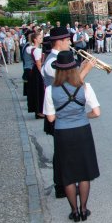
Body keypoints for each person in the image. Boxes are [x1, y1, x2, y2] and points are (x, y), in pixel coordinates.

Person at [43, 50, 101, 222]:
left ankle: (74, 211)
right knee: (83, 173)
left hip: (62, 133)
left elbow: (51, 117)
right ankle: (84, 209)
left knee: (68, 174)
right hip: (82, 131)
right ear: (75, 68)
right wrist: (84, 116)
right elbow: (96, 112)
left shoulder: (49, 90)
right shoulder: (85, 86)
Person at [42, 26, 95, 200]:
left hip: (61, 110)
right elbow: (67, 86)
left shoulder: (58, 59)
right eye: (67, 40)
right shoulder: (52, 62)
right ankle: (61, 186)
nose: (70, 42)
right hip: (59, 112)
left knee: (66, 154)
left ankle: (67, 185)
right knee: (62, 157)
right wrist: (85, 70)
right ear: (59, 41)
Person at [26, 32, 46, 119]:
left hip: (33, 71)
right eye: (40, 38)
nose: (41, 39)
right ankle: (40, 111)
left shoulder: (30, 48)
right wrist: (43, 74)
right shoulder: (37, 50)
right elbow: (38, 64)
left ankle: (38, 111)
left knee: (37, 90)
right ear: (35, 40)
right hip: (37, 71)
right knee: (40, 91)